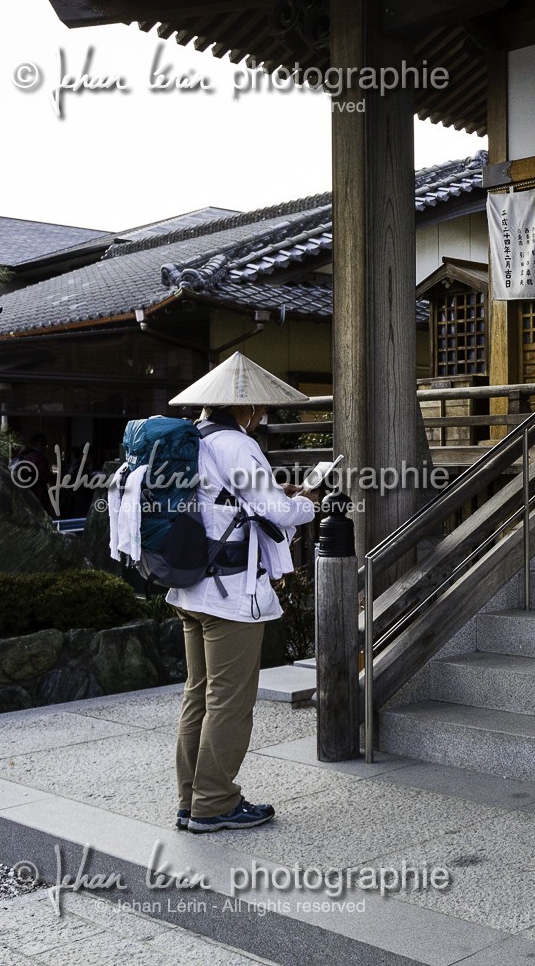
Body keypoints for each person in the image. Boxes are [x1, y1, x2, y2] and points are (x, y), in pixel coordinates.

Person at [164, 353, 321, 834]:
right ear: (245, 405)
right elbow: (275, 509)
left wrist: (279, 497)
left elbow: (230, 503)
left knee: (199, 696)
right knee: (230, 701)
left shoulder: (193, 440)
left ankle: (191, 799)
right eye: (260, 407)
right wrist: (307, 503)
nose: (263, 415)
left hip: (189, 587)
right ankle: (216, 803)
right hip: (229, 593)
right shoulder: (237, 445)